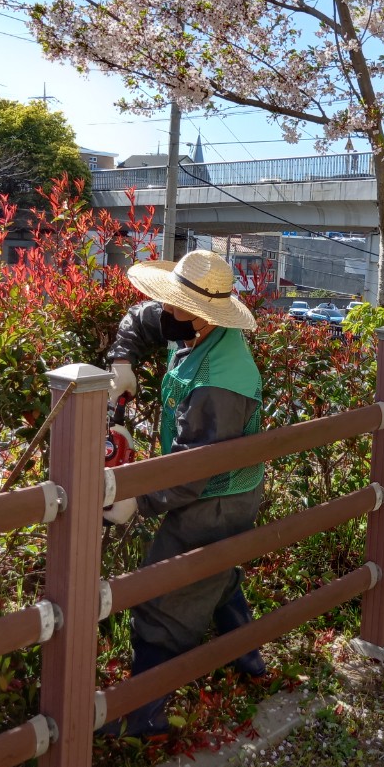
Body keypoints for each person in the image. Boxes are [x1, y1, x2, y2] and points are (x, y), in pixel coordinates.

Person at [100, 249, 266, 738]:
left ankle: (143, 713)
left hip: (218, 496)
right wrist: (121, 358)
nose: (165, 310)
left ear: (205, 313)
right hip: (204, 484)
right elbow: (145, 317)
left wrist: (138, 500)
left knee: (164, 594)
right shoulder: (192, 325)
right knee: (214, 572)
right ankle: (247, 652)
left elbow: (195, 470)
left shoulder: (222, 383)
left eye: (176, 305)